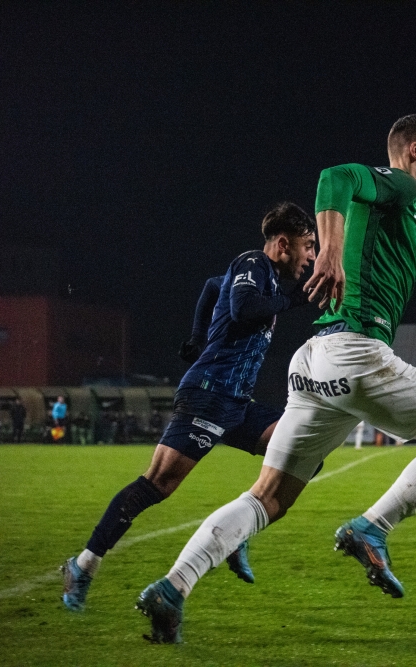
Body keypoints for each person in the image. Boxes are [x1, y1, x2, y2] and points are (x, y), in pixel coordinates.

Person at [135, 114, 416, 644]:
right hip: (357, 353)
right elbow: (334, 177)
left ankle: (172, 587)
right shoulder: (395, 185)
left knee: (269, 498)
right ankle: (372, 527)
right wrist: (328, 247)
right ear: (414, 151)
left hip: (313, 362)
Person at [60, 202, 316, 612]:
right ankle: (82, 566)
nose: (312, 257)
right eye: (308, 246)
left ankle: (236, 532)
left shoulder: (257, 274)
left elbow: (213, 286)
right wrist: (294, 301)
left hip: (235, 402)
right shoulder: (253, 263)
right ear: (283, 244)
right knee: (157, 484)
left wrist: (197, 335)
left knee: (302, 452)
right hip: (209, 394)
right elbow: (243, 308)